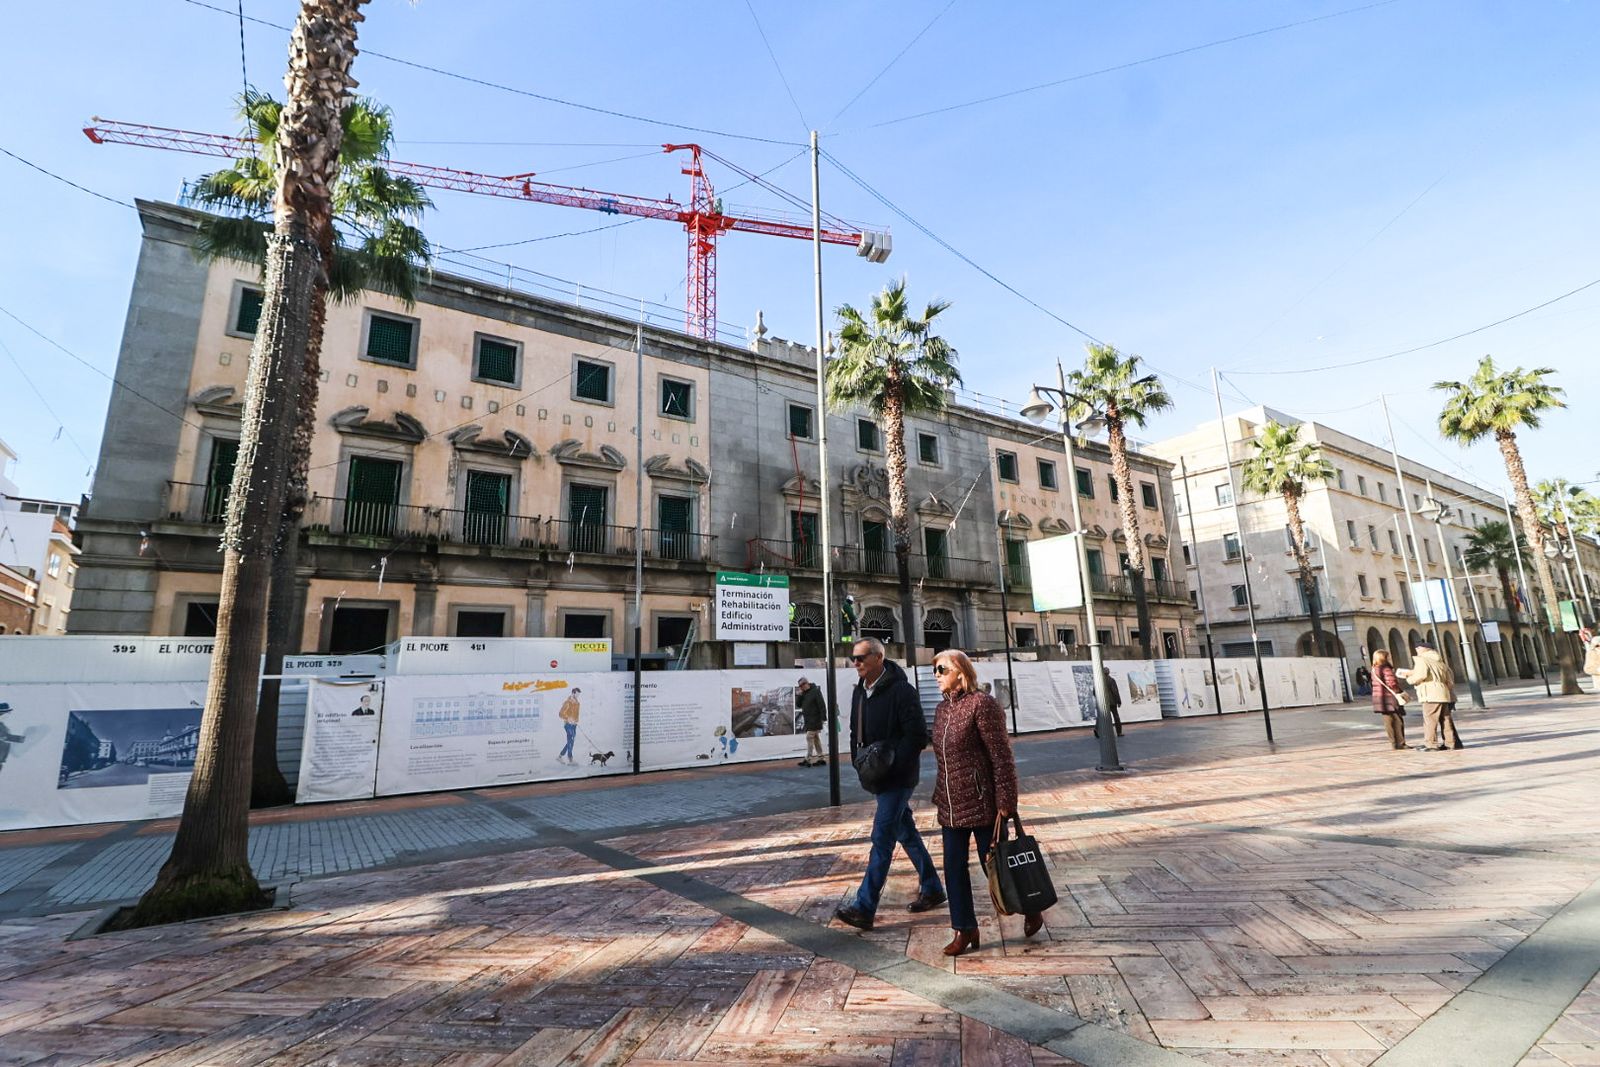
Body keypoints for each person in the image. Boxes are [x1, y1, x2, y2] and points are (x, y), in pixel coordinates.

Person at [930, 648, 1042, 956]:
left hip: (983, 804)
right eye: (935, 670)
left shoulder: (983, 705)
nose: (936, 676)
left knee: (997, 867)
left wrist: (1007, 800)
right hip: (950, 804)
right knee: (953, 869)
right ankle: (964, 928)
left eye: (942, 670)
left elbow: (1001, 756)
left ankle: (1030, 906)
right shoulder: (942, 710)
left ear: (961, 673)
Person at [834, 638, 944, 932]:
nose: (854, 663)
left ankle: (864, 906)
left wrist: (893, 764)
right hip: (875, 775)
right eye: (852, 658)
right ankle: (933, 887)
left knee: (881, 837)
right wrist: (859, 761)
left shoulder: (902, 691)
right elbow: (855, 730)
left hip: (898, 778)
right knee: (905, 832)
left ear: (878, 657)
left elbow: (918, 736)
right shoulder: (860, 691)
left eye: (860, 658)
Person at [1400, 641, 1463, 750]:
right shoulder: (1440, 661)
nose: (1416, 650)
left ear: (1422, 649)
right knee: (1445, 719)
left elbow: (1421, 675)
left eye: (1417, 648)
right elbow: (1450, 681)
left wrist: (1409, 679)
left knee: (1430, 719)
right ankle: (1450, 743)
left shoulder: (1422, 660)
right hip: (1443, 693)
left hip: (1430, 693)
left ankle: (1431, 744)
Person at [1369, 650, 1407, 750]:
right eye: (1387, 656)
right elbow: (1391, 683)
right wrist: (1398, 690)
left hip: (1380, 698)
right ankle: (1401, 742)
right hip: (1389, 697)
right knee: (1398, 720)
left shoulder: (1374, 669)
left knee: (1388, 721)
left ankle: (1393, 742)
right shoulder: (1385, 668)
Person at [796, 676, 827, 767]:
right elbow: (798, 705)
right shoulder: (804, 694)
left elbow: (822, 705)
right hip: (808, 720)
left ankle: (808, 759)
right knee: (816, 739)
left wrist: (823, 718)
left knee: (809, 737)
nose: (802, 687)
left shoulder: (815, 691)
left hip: (815, 719)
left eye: (803, 685)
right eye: (800, 686)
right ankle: (821, 758)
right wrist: (800, 695)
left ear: (807, 683)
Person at [1094, 666, 1124, 738]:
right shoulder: (1111, 680)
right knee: (1116, 717)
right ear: (1108, 672)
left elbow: (1094, 692)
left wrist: (1100, 699)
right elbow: (1115, 691)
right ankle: (1119, 732)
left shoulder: (1098, 681)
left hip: (1102, 703)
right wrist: (1119, 701)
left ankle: (1097, 729)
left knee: (1101, 717)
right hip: (1112, 702)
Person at [557, 687, 582, 765]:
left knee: (571, 741)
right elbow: (560, 713)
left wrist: (576, 721)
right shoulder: (567, 702)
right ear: (573, 693)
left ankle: (560, 756)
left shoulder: (578, 703)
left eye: (579, 694)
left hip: (574, 725)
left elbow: (576, 714)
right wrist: (568, 718)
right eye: (577, 694)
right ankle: (570, 759)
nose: (578, 696)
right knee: (570, 740)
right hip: (568, 724)